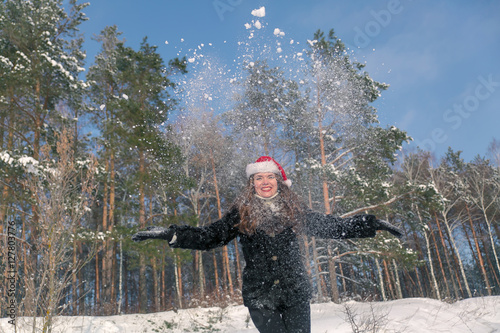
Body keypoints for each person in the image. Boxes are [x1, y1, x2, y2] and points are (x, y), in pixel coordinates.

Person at [132, 156, 402, 333]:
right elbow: (208, 236)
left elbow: (334, 226)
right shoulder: (240, 213)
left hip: (294, 290)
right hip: (261, 296)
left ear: (279, 182)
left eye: (269, 177)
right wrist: (171, 235)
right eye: (258, 178)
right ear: (252, 183)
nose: (264, 182)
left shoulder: (295, 211)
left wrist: (371, 224)